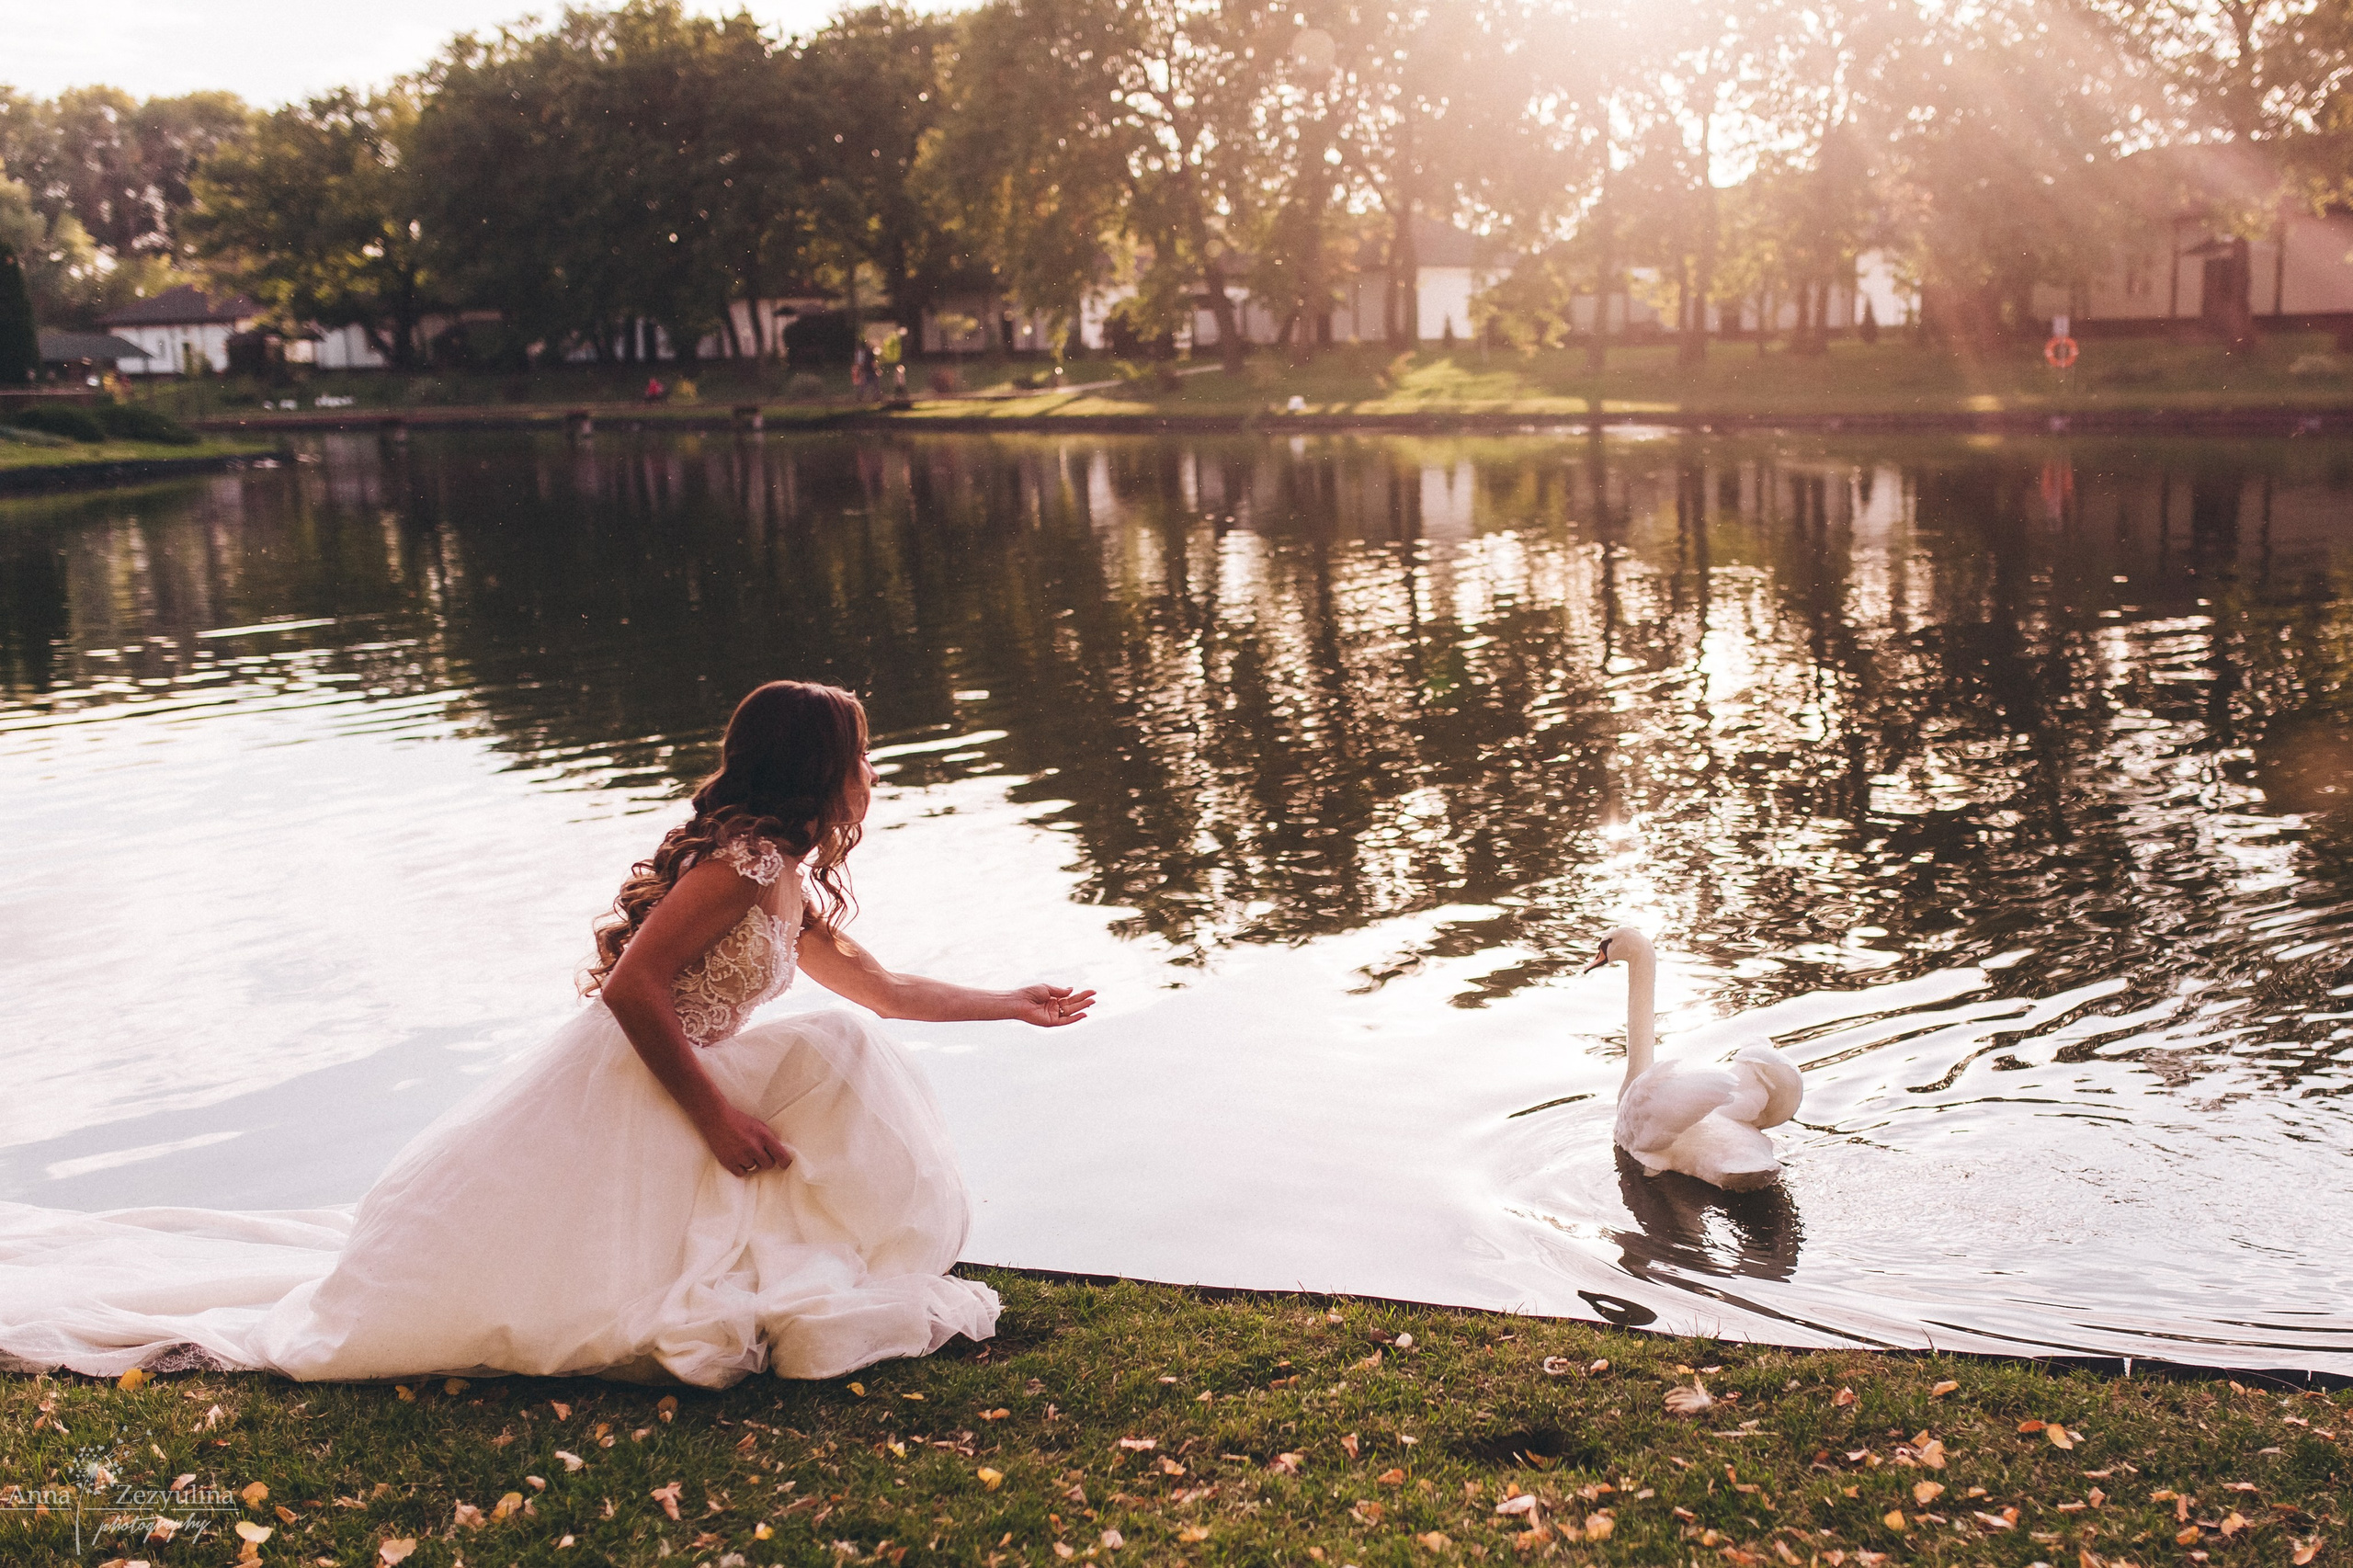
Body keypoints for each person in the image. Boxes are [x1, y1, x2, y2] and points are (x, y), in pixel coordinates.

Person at [0, 681, 1094, 1386]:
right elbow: (632, 985)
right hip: (633, 1069)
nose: (872, 772)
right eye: (862, 751)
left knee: (844, 1043)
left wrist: (1011, 999)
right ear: (821, 768)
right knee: (826, 1059)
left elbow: (885, 987)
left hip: (679, 1060)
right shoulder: (743, 861)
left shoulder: (783, 873)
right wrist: (713, 1113)